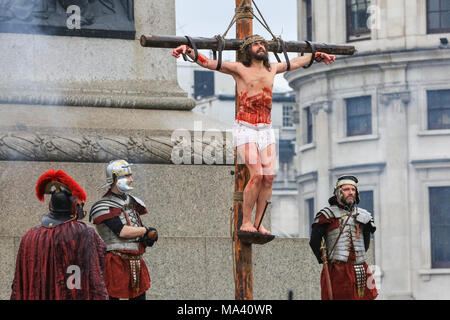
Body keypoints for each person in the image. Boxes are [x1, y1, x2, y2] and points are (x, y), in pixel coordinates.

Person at [172, 35, 336, 234]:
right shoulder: (240, 69)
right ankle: (246, 222)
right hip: (245, 128)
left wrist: (316, 55)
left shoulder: (272, 68)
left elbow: (294, 62)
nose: (261, 47)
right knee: (257, 174)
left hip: (266, 129)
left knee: (269, 176)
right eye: (257, 44)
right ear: (248, 49)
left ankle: (259, 223)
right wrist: (188, 51)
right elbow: (210, 63)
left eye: (263, 45)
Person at [10, 169, 109, 300]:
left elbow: (18, 283)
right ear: (74, 206)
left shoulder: (29, 236)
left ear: (51, 205)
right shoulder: (84, 232)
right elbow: (96, 274)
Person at [89, 160, 158, 300]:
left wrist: (148, 238)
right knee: (112, 297)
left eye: (130, 176)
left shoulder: (133, 202)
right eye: (127, 176)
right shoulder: (104, 205)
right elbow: (121, 231)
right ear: (115, 178)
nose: (131, 180)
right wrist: (145, 230)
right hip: (115, 262)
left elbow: (137, 231)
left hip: (136, 260)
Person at [309, 175, 378, 300]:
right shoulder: (327, 215)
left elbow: (366, 242)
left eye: (353, 190)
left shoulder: (364, 216)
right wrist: (324, 259)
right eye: (346, 189)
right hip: (338, 270)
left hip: (360, 268)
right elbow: (314, 241)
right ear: (338, 192)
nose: (351, 192)